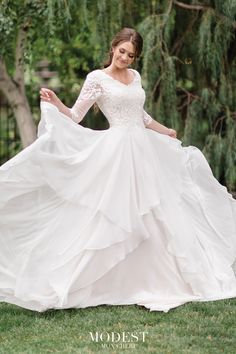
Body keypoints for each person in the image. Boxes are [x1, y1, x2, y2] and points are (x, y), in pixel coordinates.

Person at [0, 27, 236, 313]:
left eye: (131, 55)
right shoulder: (96, 79)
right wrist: (55, 102)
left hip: (143, 150)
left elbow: (142, 116)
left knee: (155, 213)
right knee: (116, 211)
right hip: (117, 151)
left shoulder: (135, 77)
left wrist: (166, 131)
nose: (125, 58)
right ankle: (99, 278)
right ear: (113, 48)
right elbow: (75, 116)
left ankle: (156, 276)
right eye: (122, 51)